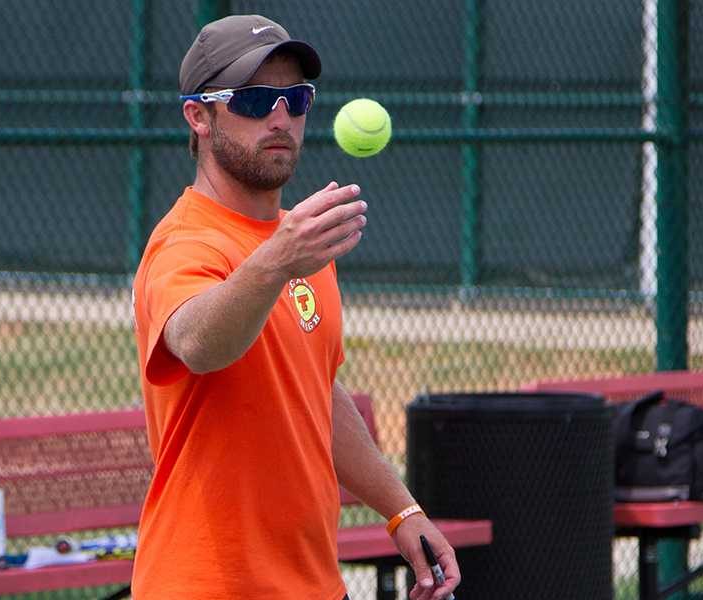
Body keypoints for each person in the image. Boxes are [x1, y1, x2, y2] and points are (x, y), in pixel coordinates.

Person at [131, 14, 460, 600]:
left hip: (311, 583)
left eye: (295, 98)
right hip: (208, 585)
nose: (280, 118)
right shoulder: (186, 242)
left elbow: (317, 393)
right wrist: (274, 262)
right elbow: (202, 346)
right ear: (198, 116)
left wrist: (401, 510)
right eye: (255, 100)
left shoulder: (298, 240)